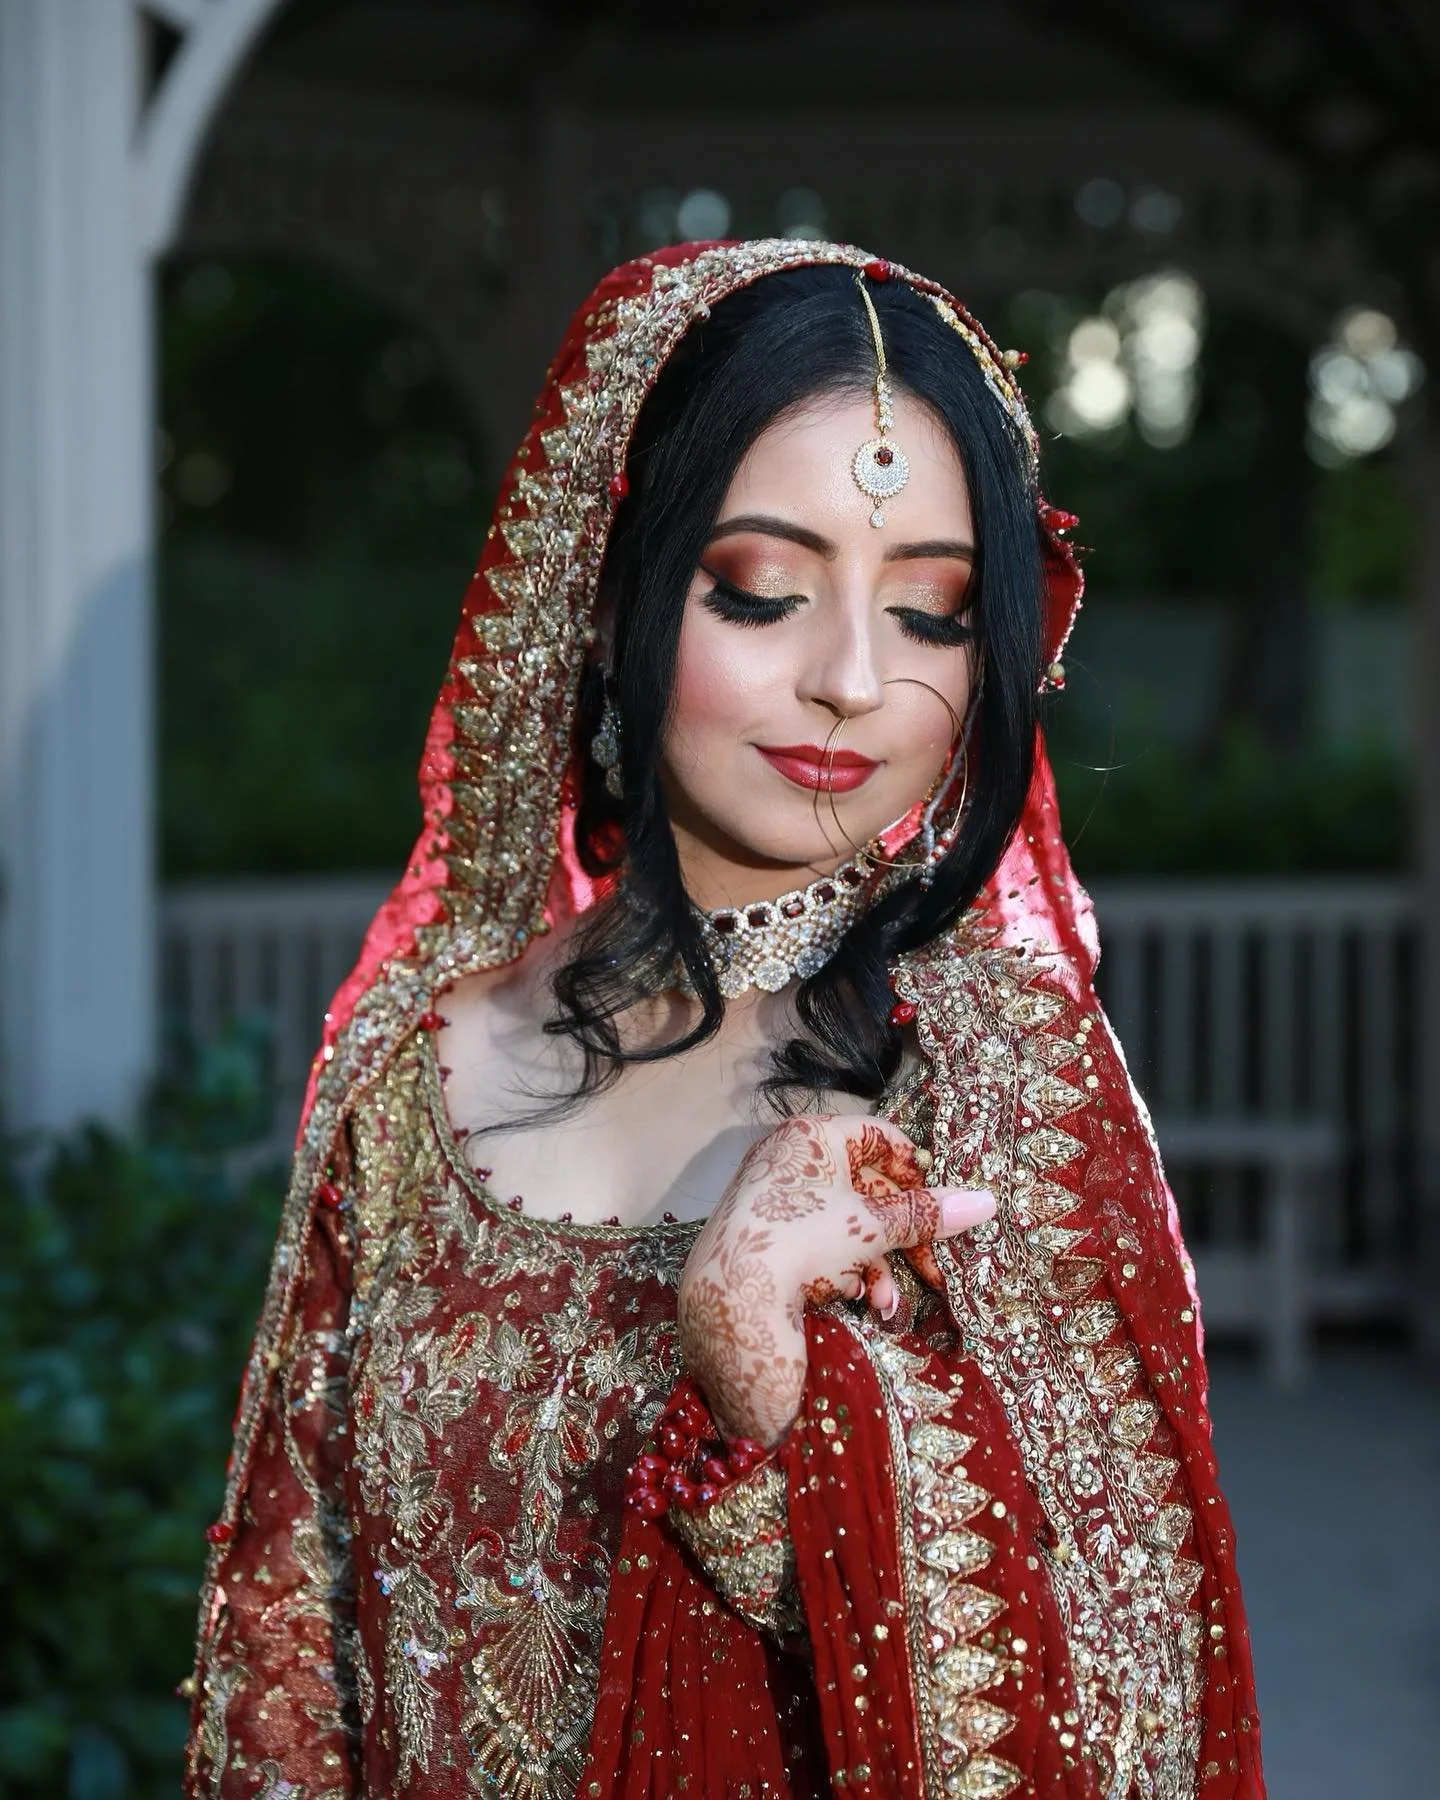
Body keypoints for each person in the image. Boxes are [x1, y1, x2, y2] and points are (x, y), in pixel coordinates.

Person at [182, 240, 1264, 1800]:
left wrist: (776, 1400)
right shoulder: (409, 1074)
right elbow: (285, 1661)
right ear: (616, 595)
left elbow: (1132, 1707)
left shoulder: (1003, 1080)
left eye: (935, 616)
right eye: (763, 590)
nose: (850, 678)